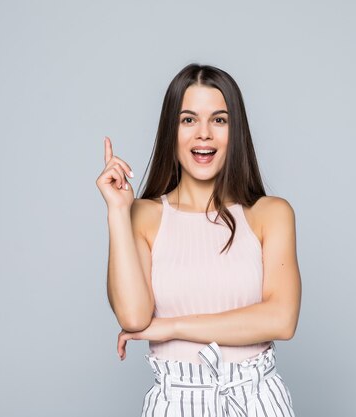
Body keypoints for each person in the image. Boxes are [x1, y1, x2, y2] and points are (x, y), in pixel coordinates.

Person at [96, 63, 302, 417]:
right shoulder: (143, 215)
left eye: (219, 120)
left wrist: (172, 326)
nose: (203, 134)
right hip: (175, 401)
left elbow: (282, 319)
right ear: (170, 131)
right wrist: (117, 210)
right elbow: (133, 316)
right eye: (188, 120)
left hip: (254, 398)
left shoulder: (270, 213)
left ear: (235, 131)